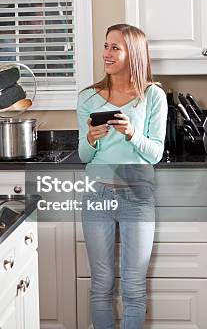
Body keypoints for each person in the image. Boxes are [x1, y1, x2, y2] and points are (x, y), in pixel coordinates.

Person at [77, 24, 167, 329]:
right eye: (106, 46)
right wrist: (90, 139)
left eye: (115, 47)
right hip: (97, 195)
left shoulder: (153, 95)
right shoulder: (88, 98)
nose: (107, 53)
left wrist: (132, 134)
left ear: (134, 54)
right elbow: (84, 156)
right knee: (101, 285)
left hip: (137, 196)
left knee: (133, 287)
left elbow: (154, 153)